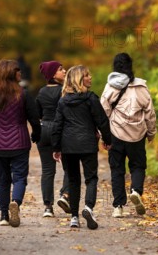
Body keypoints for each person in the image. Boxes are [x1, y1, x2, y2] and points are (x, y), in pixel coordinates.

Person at [0, 59, 41, 227]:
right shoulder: (23, 93)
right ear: (11, 73)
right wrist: (36, 132)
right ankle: (16, 203)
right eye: (17, 70)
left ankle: (4, 215)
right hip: (20, 141)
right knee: (19, 177)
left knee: (2, 179)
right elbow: (34, 118)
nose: (20, 73)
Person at [51, 65, 112, 229]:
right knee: (91, 178)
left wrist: (56, 148)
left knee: (73, 180)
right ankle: (88, 208)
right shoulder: (91, 98)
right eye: (87, 75)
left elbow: (57, 126)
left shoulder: (63, 101)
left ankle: (74, 218)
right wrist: (107, 139)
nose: (90, 77)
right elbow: (102, 121)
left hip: (68, 145)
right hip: (88, 144)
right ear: (79, 79)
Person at [100, 52, 157, 218]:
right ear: (130, 66)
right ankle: (136, 191)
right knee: (138, 166)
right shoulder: (141, 87)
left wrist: (104, 135)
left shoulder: (110, 86)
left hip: (116, 134)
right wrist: (151, 132)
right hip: (137, 134)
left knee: (117, 169)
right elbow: (150, 112)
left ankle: (118, 206)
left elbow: (103, 112)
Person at [35, 60, 70, 218]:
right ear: (53, 75)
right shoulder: (65, 91)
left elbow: (37, 113)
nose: (65, 71)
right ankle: (65, 195)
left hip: (43, 130)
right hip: (60, 130)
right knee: (70, 166)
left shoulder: (41, 92)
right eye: (61, 70)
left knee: (47, 170)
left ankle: (48, 207)